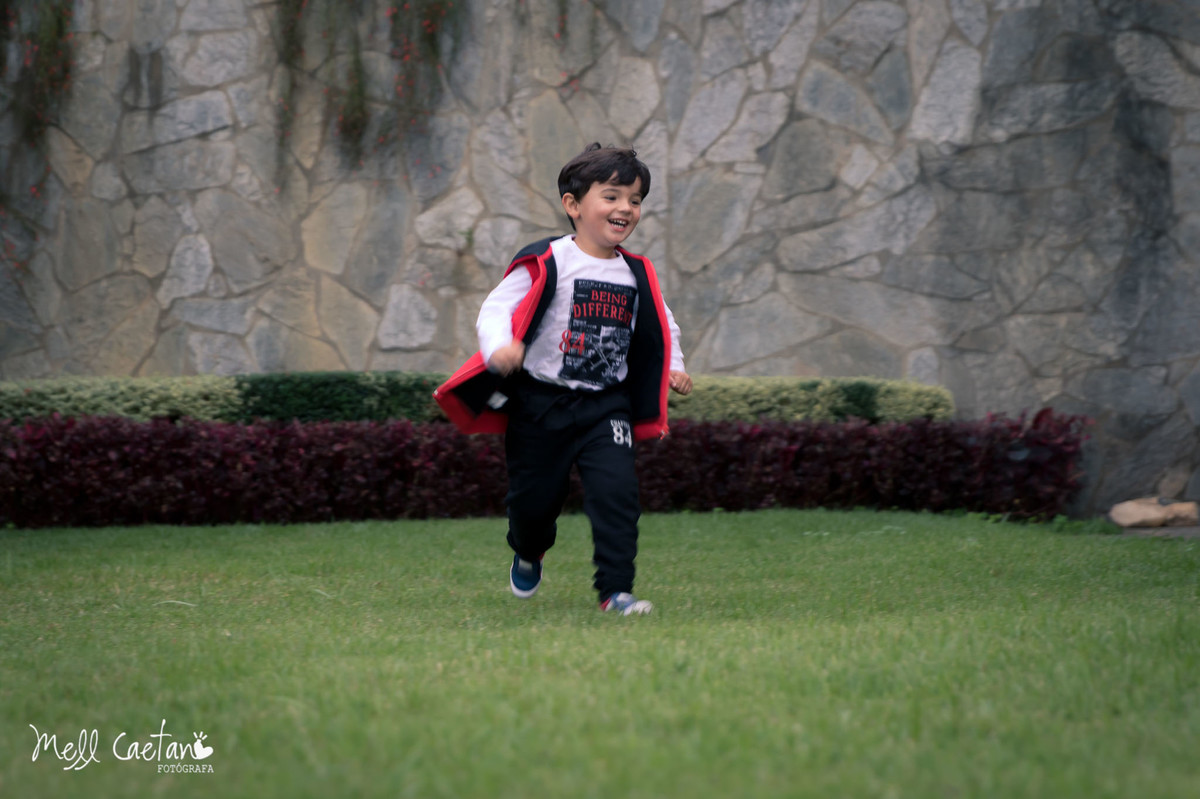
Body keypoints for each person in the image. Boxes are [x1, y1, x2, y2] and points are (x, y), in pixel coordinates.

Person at [434, 142, 692, 616]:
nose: (625, 208)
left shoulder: (636, 273)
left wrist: (674, 364)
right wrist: (499, 348)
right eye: (611, 196)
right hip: (540, 404)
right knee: (533, 504)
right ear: (573, 204)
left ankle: (616, 591)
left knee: (617, 494)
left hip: (605, 405)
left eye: (635, 200)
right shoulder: (549, 259)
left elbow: (662, 322)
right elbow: (496, 308)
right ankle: (528, 551)